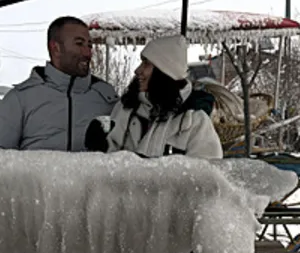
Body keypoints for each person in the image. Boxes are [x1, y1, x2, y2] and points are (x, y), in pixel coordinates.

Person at [0, 16, 117, 151]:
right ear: (56, 48)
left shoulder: (107, 98)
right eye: (79, 44)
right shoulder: (22, 99)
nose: (87, 53)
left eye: (89, 45)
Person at [87, 34, 223, 159]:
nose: (137, 70)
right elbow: (108, 163)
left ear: (164, 72)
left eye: (146, 63)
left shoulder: (194, 121)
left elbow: (207, 176)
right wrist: (101, 147)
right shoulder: (126, 108)